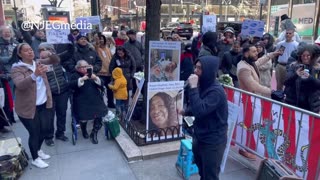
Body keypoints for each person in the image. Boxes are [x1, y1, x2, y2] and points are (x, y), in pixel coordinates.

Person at [178, 56, 228, 180]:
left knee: (210, 176)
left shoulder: (216, 91)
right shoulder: (203, 85)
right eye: (196, 67)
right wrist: (185, 112)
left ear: (209, 71)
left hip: (213, 141)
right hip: (200, 136)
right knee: (202, 172)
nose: (195, 71)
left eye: (200, 68)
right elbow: (197, 105)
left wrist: (193, 88)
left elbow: (200, 110)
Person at [11, 43, 53, 168]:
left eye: (31, 49)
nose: (30, 52)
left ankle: (38, 150)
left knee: (45, 130)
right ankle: (35, 158)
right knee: (35, 132)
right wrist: (35, 74)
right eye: (26, 51)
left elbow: (55, 61)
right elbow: (20, 85)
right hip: (28, 108)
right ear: (19, 54)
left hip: (43, 103)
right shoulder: (17, 68)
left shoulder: (38, 63)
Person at [38, 43, 69, 146]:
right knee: (49, 117)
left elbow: (70, 52)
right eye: (42, 49)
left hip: (63, 91)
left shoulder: (56, 59)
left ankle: (60, 133)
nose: (44, 51)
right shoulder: (38, 63)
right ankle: (49, 137)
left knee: (62, 113)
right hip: (49, 94)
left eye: (47, 49)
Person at [69, 60, 108, 144]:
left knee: (99, 112)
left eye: (86, 66)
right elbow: (71, 85)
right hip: (81, 99)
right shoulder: (74, 75)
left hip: (95, 98)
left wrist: (95, 78)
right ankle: (83, 129)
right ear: (78, 68)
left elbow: (102, 84)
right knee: (83, 115)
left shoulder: (91, 74)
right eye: (83, 67)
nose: (85, 69)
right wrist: (82, 79)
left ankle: (94, 132)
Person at [284, 45, 320, 112]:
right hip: (293, 103)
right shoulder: (294, 66)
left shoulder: (317, 69)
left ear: (312, 56)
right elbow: (286, 82)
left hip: (311, 105)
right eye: (303, 55)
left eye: (308, 55)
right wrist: (296, 75)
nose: (305, 58)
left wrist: (310, 77)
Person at [94, 34, 115, 108]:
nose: (101, 40)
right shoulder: (96, 48)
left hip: (109, 72)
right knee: (100, 90)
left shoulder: (107, 48)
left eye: (102, 39)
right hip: (100, 73)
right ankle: (101, 105)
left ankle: (110, 103)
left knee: (110, 89)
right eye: (100, 39)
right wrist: (97, 42)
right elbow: (96, 46)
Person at [123, 29, 145, 95]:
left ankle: (142, 96)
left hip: (139, 67)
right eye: (131, 35)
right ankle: (134, 98)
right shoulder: (125, 45)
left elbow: (143, 53)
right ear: (128, 35)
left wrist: (142, 61)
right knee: (133, 84)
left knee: (140, 83)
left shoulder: (139, 44)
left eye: (133, 35)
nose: (132, 36)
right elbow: (124, 55)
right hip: (130, 68)